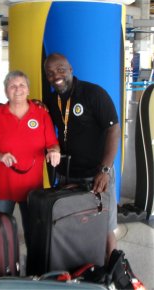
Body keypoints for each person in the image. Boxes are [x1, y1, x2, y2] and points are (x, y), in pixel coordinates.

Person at [43, 53, 121, 261]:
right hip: (69, 176)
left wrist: (104, 170)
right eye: (50, 73)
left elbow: (114, 129)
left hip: (97, 175)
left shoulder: (93, 93)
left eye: (60, 69)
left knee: (105, 227)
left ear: (70, 70)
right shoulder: (52, 100)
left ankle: (113, 271)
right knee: (73, 225)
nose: (56, 76)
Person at [0, 70, 61, 246]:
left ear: (28, 89)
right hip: (1, 187)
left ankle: (33, 270)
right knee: (0, 234)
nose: (18, 89)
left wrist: (54, 151)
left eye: (22, 85)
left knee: (34, 233)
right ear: (5, 90)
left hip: (32, 188)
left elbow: (52, 144)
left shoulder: (41, 114)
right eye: (12, 86)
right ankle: (4, 269)